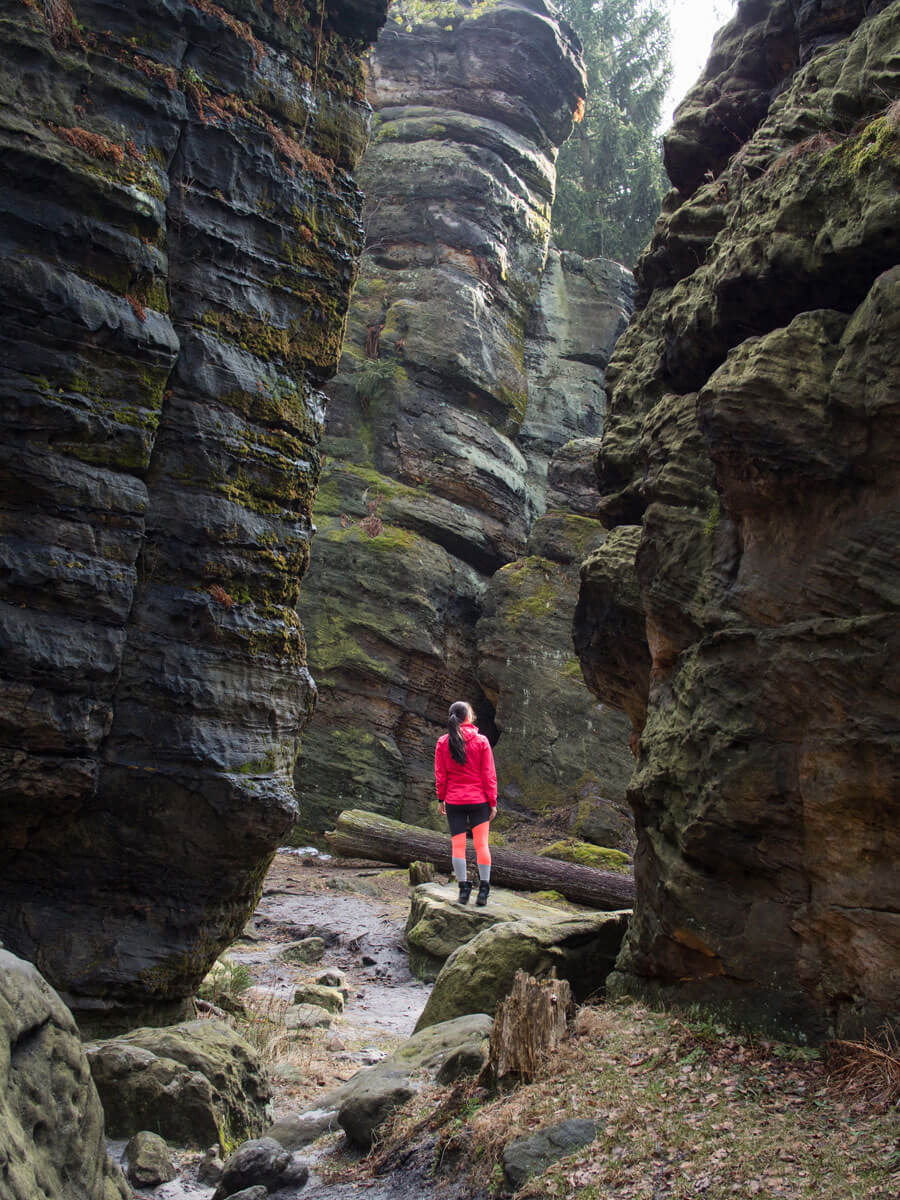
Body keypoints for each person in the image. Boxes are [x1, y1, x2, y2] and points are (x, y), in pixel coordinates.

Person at [434, 700, 497, 905]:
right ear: (468, 716)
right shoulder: (481, 741)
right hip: (479, 801)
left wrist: (441, 798)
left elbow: (441, 775)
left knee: (458, 846)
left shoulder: (443, 742)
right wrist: (492, 801)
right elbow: (489, 775)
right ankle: (484, 891)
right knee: (481, 845)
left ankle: (463, 890)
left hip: (454, 801)